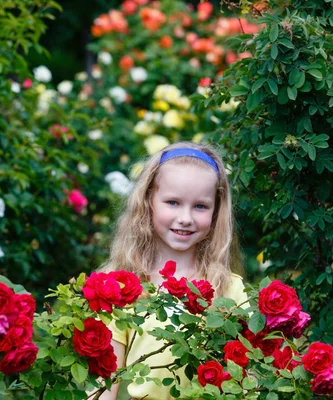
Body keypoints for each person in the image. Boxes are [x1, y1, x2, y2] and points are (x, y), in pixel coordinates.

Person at [97, 141, 247, 400]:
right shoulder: (122, 288)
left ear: (215, 212)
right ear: (148, 202)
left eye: (200, 206)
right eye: (173, 202)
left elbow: (248, 381)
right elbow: (102, 386)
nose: (186, 218)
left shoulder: (228, 289)